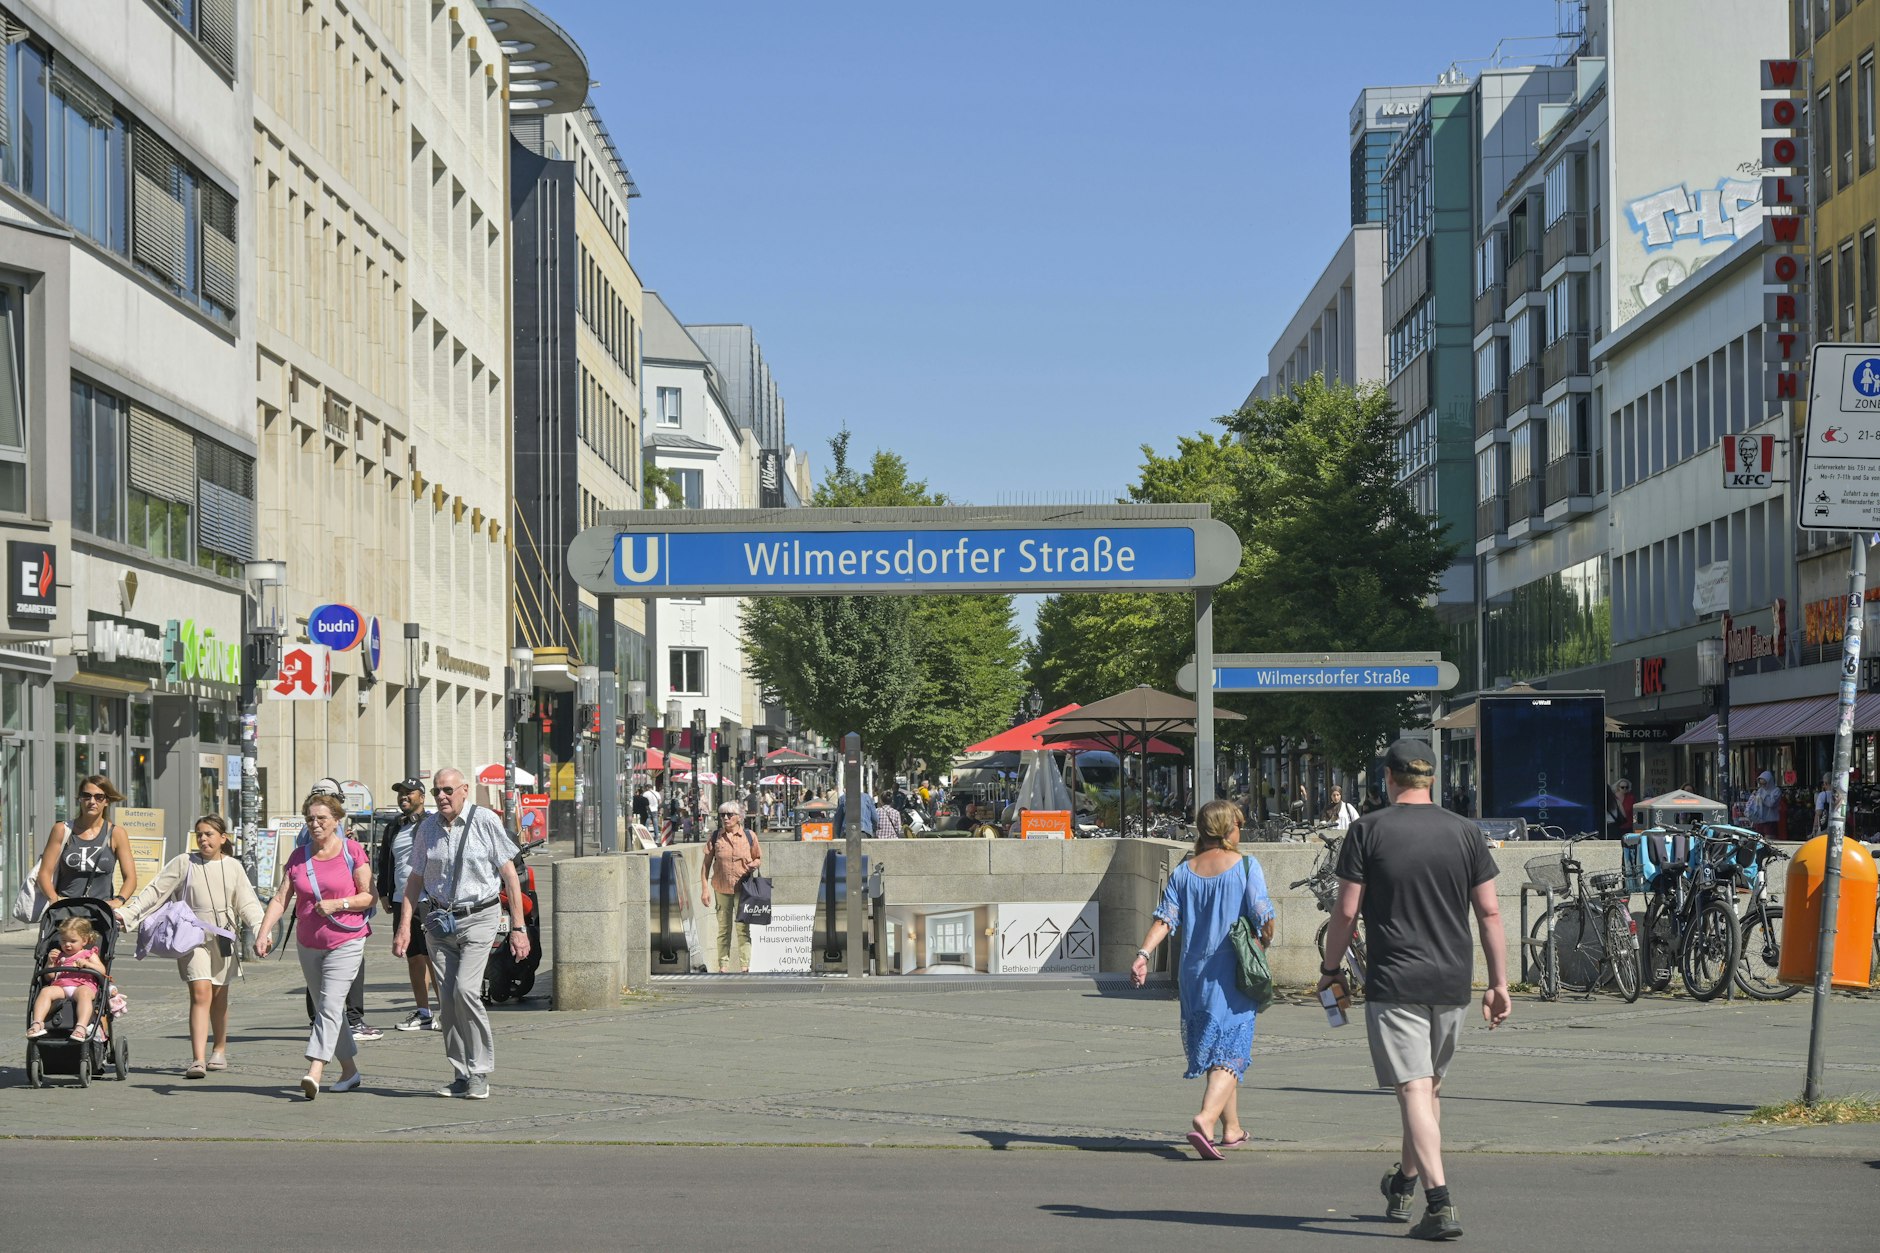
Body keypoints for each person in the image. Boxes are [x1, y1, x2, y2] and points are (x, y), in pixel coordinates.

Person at [1319, 738, 1508, 1241]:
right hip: (1452, 980)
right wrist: (1499, 983)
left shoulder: (1367, 830)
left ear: (1389, 778)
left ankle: (1440, 1204)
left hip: (1396, 979)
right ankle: (1403, 1182)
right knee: (1426, 1089)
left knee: (1414, 1088)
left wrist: (1331, 967)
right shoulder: (1465, 832)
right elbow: (1489, 912)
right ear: (1432, 779)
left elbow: (1345, 911)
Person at [1129, 800, 1275, 1159]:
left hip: (1194, 973)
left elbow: (1165, 918)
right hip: (1232, 972)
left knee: (1216, 1051)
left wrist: (1143, 955)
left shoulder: (1185, 871)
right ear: (1228, 831)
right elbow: (1262, 913)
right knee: (1233, 1051)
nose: (1241, 831)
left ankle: (1233, 1129)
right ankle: (1206, 1119)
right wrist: (1266, 937)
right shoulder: (1245, 866)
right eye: (1238, 825)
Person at [392, 767, 529, 1099]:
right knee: (449, 1001)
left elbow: (510, 875)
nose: (442, 796)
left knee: (466, 991)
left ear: (464, 790)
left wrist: (518, 927)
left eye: (448, 790)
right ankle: (461, 1072)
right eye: (437, 790)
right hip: (439, 923)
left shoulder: (484, 821)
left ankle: (480, 1071)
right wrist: (403, 928)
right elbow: (415, 879)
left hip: (479, 916)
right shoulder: (427, 828)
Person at [116, 815, 265, 1078]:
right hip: (191, 935)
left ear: (223, 838)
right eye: (200, 834)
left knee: (219, 997)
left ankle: (219, 1049)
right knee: (200, 992)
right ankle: (197, 1059)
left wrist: (260, 928)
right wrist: (128, 915)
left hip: (223, 937)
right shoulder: (185, 862)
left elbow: (247, 903)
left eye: (209, 834)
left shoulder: (233, 867)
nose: (204, 839)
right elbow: (155, 892)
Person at [255, 792, 374, 1100]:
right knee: (326, 1009)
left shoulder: (352, 851)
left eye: (322, 818)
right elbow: (281, 899)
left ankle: (315, 1069)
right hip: (308, 943)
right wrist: (264, 931)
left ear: (336, 820)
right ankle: (350, 1071)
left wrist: (339, 904)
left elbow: (368, 896)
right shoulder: (299, 857)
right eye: (310, 819)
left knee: (332, 1004)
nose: (315, 824)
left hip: (346, 940)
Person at [374, 780, 437, 1032]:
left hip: (427, 899)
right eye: (400, 793)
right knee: (413, 958)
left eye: (408, 793)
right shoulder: (393, 827)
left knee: (435, 957)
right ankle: (423, 1012)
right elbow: (384, 861)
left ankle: (446, 1012)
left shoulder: (432, 824)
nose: (403, 797)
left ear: (421, 797)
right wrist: (384, 892)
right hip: (401, 900)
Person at [36, 774, 138, 911]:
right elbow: (44, 873)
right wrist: (54, 900)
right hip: (65, 913)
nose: (92, 801)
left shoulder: (116, 834)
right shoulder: (62, 830)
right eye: (86, 795)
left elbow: (131, 877)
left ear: (106, 801)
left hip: (100, 913)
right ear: (79, 798)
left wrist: (119, 900)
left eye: (99, 797)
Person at [699, 801, 762, 972]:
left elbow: (758, 858)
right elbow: (705, 865)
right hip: (721, 888)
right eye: (722, 815)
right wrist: (705, 889)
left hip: (743, 889)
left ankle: (745, 966)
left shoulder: (749, 836)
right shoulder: (715, 837)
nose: (725, 818)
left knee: (743, 929)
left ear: (739, 817)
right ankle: (723, 966)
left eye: (729, 815)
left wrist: (753, 865)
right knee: (723, 929)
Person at [27, 917, 107, 1041]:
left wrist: (88, 964)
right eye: (63, 941)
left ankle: (81, 1026)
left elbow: (102, 971)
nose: (67, 945)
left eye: (72, 941)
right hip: (62, 986)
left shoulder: (88, 954)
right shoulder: (59, 955)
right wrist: (51, 963)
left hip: (82, 986)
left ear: (84, 941)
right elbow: (50, 977)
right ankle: (37, 1023)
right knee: (45, 991)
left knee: (84, 994)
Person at [1745, 770, 1785, 841]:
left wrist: (1762, 796)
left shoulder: (1776, 791)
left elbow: (1771, 803)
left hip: (1770, 820)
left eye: (1764, 784)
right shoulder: (1760, 790)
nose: (1763, 786)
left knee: (1770, 840)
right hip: (1759, 820)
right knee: (1758, 840)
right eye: (1761, 784)